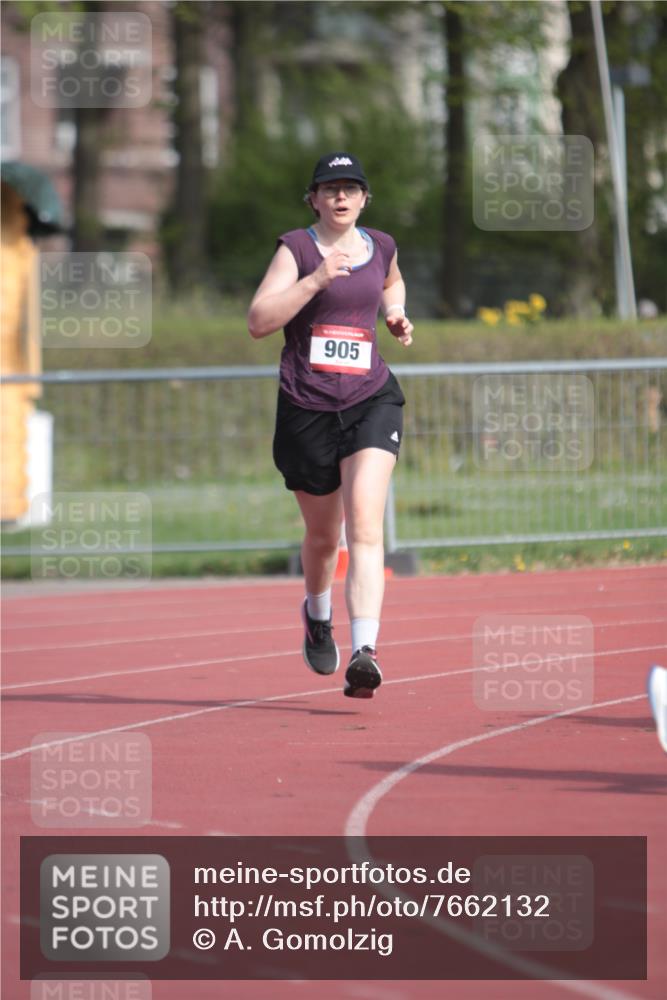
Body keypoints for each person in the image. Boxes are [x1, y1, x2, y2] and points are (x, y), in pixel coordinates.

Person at [248, 152, 413, 698]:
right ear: (314, 199)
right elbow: (259, 321)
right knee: (325, 536)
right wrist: (315, 279)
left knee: (365, 524)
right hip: (307, 407)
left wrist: (393, 313)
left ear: (365, 198)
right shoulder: (295, 249)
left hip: (371, 398)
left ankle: (365, 650)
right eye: (329, 189)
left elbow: (392, 282)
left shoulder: (380, 245)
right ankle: (318, 615)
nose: (340, 197)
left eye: (351, 188)